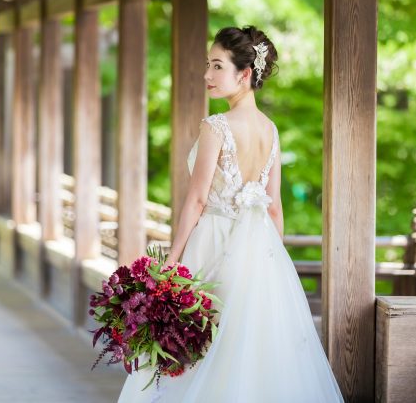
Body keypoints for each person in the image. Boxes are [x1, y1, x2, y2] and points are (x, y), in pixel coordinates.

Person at [118, 26, 344, 403]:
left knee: (194, 347)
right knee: (249, 352)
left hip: (213, 244)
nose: (207, 74)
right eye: (208, 64)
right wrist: (274, 260)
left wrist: (170, 264)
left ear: (244, 74)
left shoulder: (216, 127)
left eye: (217, 66)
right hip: (260, 253)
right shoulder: (271, 130)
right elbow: (274, 208)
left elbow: (196, 201)